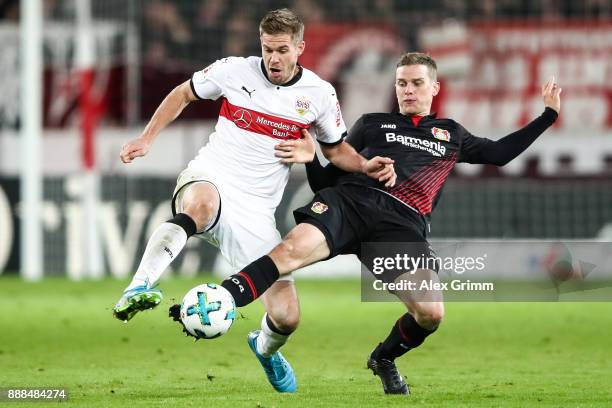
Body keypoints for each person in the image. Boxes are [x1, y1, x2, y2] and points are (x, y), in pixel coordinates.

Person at [173, 52, 562, 395]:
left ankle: (384, 359)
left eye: (416, 83)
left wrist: (547, 115)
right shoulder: (372, 125)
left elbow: (500, 154)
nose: (407, 90)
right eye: (401, 83)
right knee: (289, 252)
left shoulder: (451, 135)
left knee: (431, 314)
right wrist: (311, 158)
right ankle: (222, 298)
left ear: (434, 86)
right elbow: (327, 181)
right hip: (350, 205)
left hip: (400, 226)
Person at [112, 8, 396, 394]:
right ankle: (139, 285)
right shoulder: (233, 70)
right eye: (267, 49)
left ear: (300, 47)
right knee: (199, 207)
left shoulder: (318, 94)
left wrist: (363, 164)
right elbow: (183, 93)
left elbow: (335, 149)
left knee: (287, 316)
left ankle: (264, 349)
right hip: (213, 174)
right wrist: (146, 138)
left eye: (281, 50)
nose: (273, 59)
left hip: (257, 211)